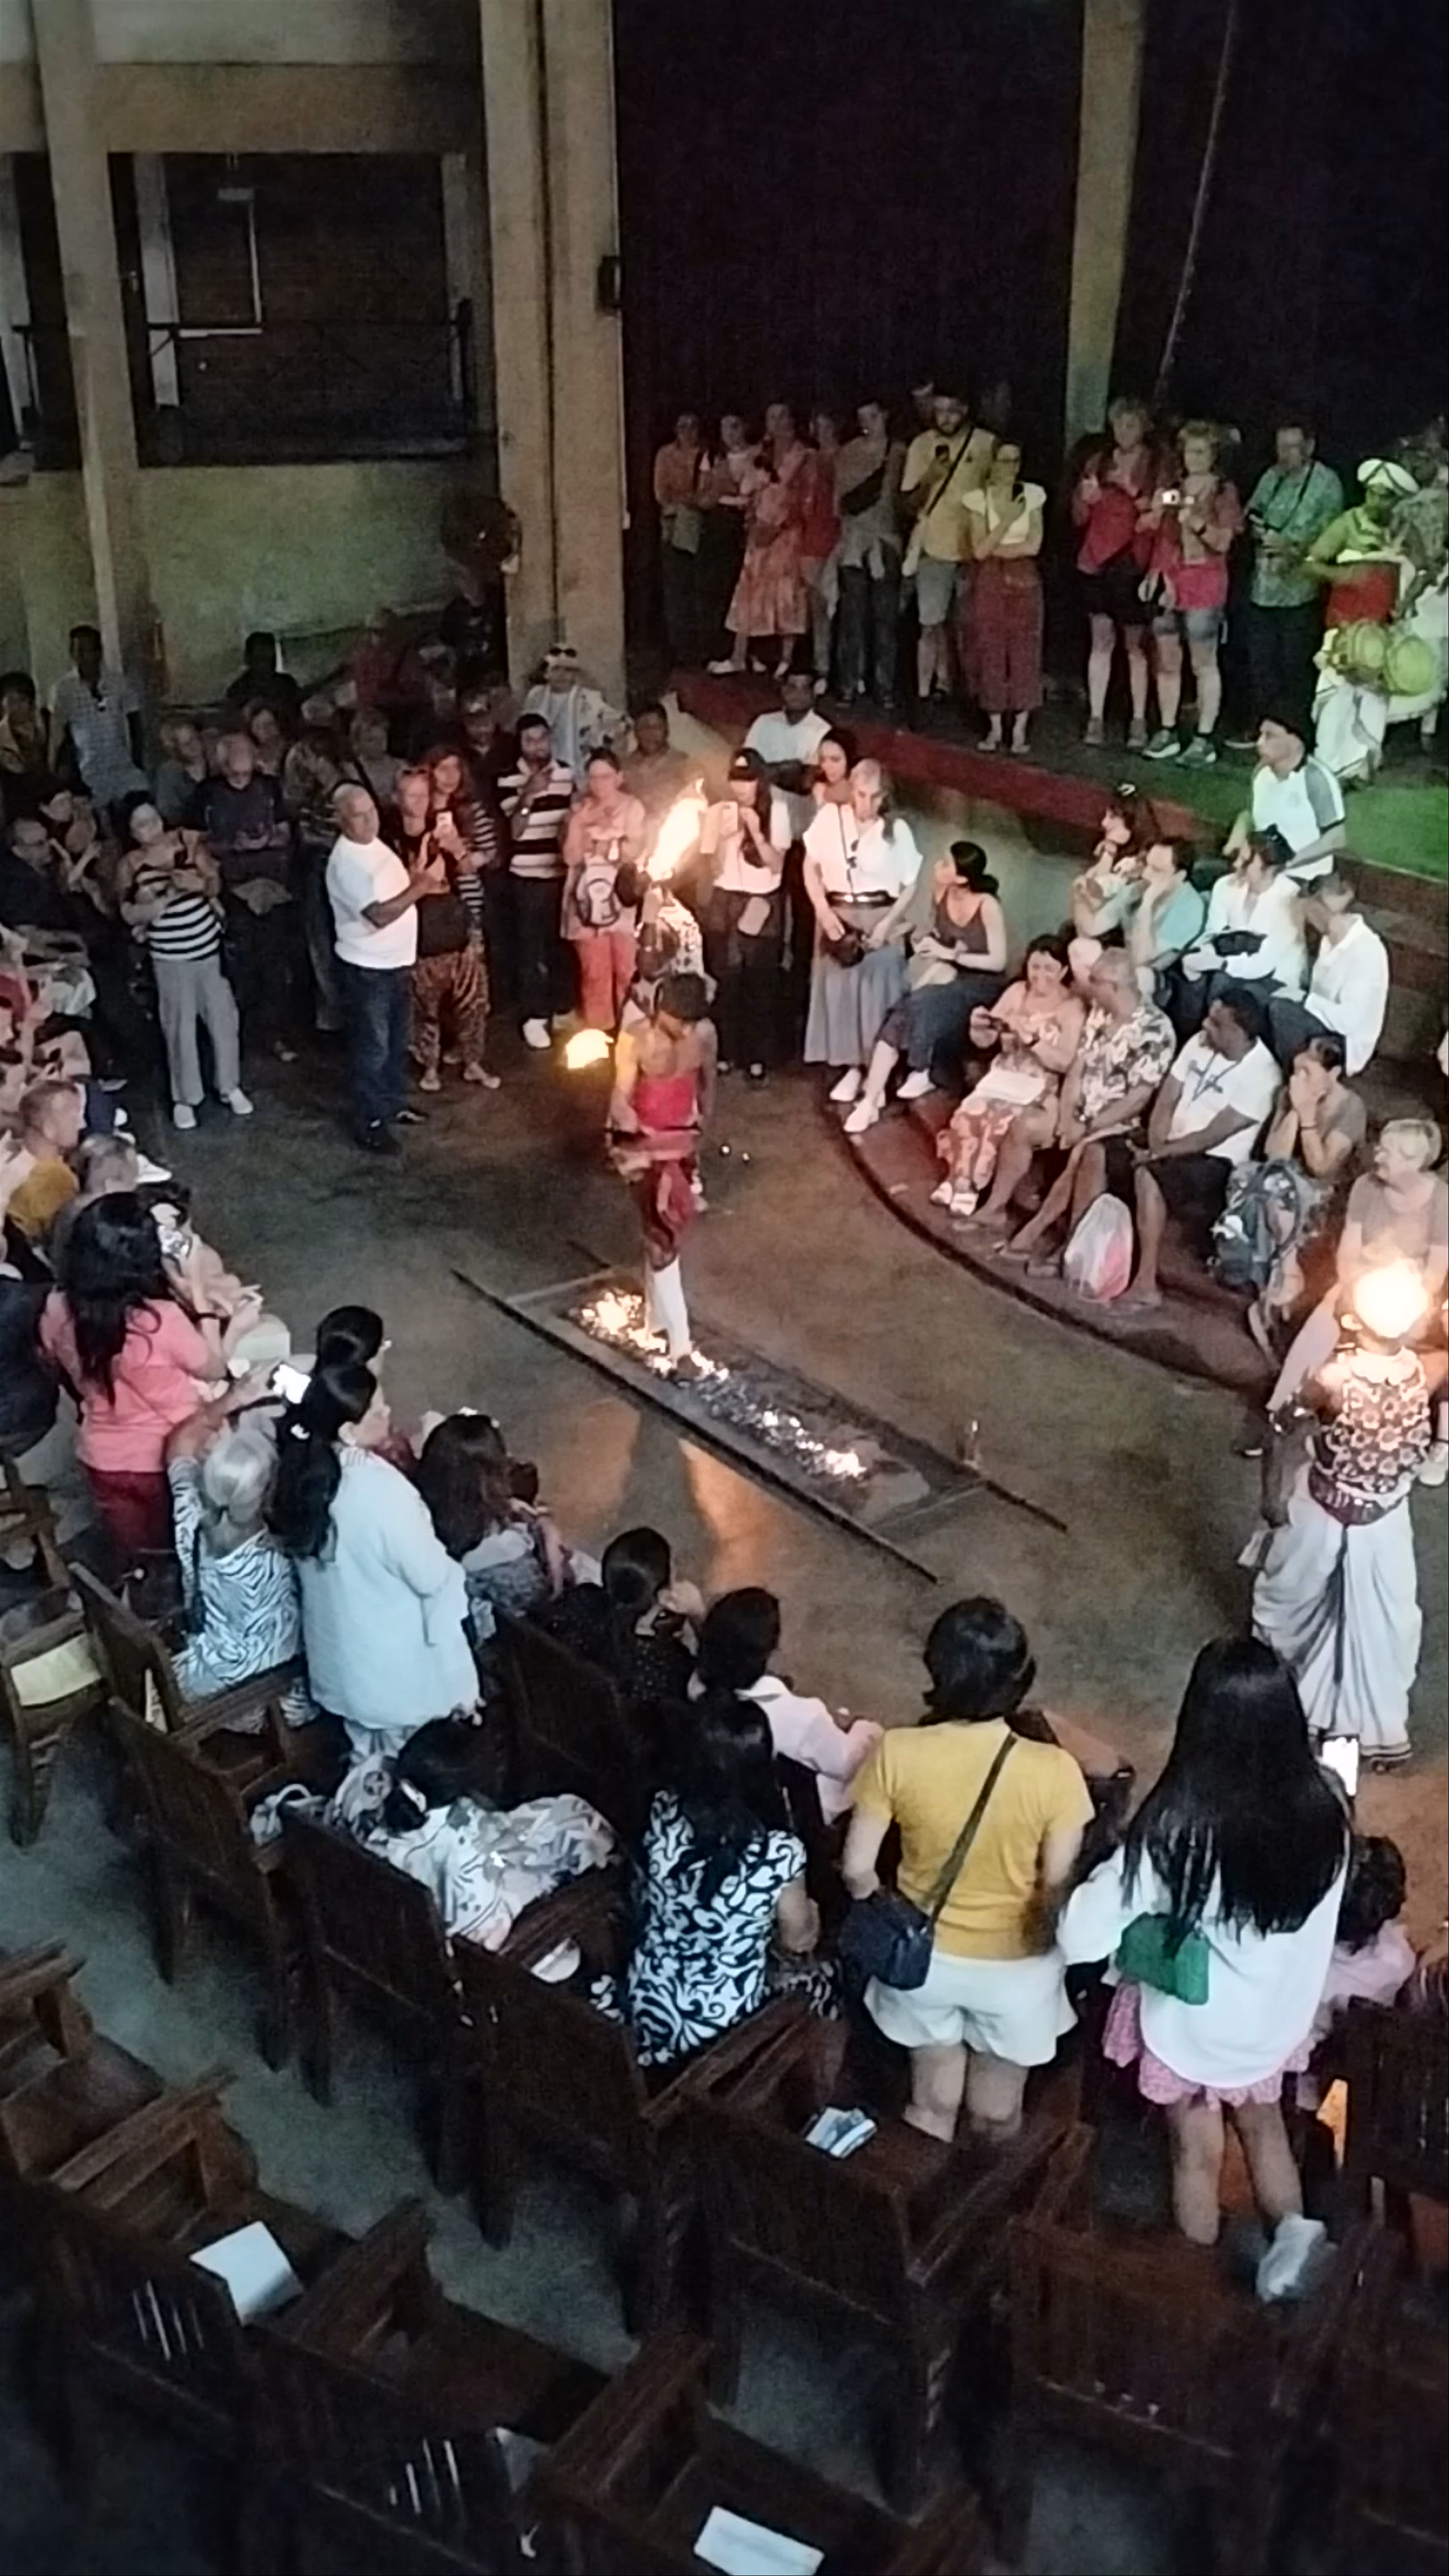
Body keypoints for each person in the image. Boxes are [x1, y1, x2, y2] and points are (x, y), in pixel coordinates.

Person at [1058, 1638, 1348, 2294]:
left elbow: (1080, 1936)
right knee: (1264, 2122)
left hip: (1199, 2033)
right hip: (1277, 2018)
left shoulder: (1179, 1831)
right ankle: (1296, 2240)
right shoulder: (1328, 1806)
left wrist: (1115, 1866)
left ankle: (1195, 2293)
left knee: (1197, 2151)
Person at [844, 1598, 1093, 2142]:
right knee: (996, 2112)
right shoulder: (1056, 1772)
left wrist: (897, 1914)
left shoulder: (898, 1750)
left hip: (922, 1961)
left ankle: (918, 2212)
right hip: (1016, 1971)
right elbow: (1055, 1887)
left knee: (930, 2102)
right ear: (1017, 1679)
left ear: (938, 1669)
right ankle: (983, 2207)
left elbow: (858, 1869)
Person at [1251, 1264, 1437, 1772]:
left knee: (1293, 1601)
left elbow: (1282, 1430)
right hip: (1381, 1521)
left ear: (1352, 1322)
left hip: (1329, 1512)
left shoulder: (1334, 1376)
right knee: (1384, 1625)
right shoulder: (1430, 1367)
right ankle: (1363, 1732)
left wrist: (1272, 1494)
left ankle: (1297, 1710)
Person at [268, 1357, 476, 1757]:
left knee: (366, 1762)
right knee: (405, 1770)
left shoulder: (300, 1473)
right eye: (378, 1411)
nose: (388, 1414)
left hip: (339, 1665)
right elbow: (432, 1576)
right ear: (348, 1431)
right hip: (394, 1681)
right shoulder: (383, 1492)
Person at [39, 1192, 241, 1561]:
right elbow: (213, 1366)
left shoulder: (56, 1306)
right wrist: (197, 1294)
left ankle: (141, 1608)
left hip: (102, 1457)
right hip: (171, 1454)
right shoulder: (158, 1320)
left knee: (139, 1556)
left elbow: (61, 1364)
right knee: (183, 1549)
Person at [619, 1694, 817, 2068]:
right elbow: (797, 1939)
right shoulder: (778, 1853)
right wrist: (810, 1915)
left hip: (645, 1993)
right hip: (719, 2027)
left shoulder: (664, 1808)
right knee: (823, 1983)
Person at [326, 1720, 613, 1951]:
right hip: (470, 1934)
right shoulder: (463, 1852)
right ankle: (614, 1885)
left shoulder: (372, 1807)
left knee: (551, 1822)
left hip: (397, 1929)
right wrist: (507, 1862)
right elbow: (486, 1927)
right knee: (574, 1822)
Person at [999, 950, 1175, 1265]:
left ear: (1116, 987)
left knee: (1084, 1153)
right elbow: (1078, 1068)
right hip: (1079, 1109)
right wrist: (1067, 1116)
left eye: (1095, 981)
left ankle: (1049, 1234)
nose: (1088, 986)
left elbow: (1139, 1097)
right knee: (1025, 1123)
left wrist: (1090, 1125)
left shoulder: (1156, 1029)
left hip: (1118, 1120)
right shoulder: (1100, 1013)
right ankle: (996, 1208)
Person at [1266, 1117, 1448, 1414]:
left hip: (1410, 1293)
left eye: (1387, 1152)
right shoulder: (1367, 1186)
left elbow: (1436, 1272)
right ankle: (1281, 1407)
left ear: (1413, 1162)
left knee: (1389, 1340)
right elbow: (1349, 1249)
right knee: (1324, 1320)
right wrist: (1352, 1290)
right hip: (1362, 1277)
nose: (1378, 1155)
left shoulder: (1441, 1199)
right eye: (1380, 1148)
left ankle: (1356, 1426)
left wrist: (1411, 1308)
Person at [1123, 986, 1281, 1306]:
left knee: (1147, 1175)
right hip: (1165, 1144)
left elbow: (1213, 1135)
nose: (1204, 1027)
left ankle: (1146, 1282)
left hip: (1213, 1161)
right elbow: (1167, 1097)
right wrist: (1156, 1142)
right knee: (1097, 1152)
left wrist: (1157, 1155)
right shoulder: (1198, 1042)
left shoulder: (1264, 1074)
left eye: (1215, 1023)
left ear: (1237, 1031)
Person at [844, 843, 1009, 1132]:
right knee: (903, 1008)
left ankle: (923, 1068)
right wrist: (925, 943)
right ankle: (870, 1100)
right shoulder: (941, 893)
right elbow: (940, 935)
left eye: (946, 864)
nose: (938, 867)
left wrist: (950, 956)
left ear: (961, 877)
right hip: (949, 975)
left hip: (981, 984)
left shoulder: (987, 905)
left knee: (924, 1002)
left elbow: (998, 961)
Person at [165, 1397, 311, 1722]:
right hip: (262, 1704)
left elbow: (180, 1445)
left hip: (202, 1678)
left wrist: (235, 1396)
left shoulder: (191, 1514)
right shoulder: (278, 1559)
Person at [1220, 1036, 1367, 1348]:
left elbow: (1322, 1166)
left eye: (1308, 1073)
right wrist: (1295, 1109)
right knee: (1248, 1178)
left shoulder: (1352, 1108)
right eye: (1297, 1071)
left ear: (1334, 1073)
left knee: (1276, 1191)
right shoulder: (1290, 1094)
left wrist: (1310, 1117)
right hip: (1282, 1177)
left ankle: (1286, 1275)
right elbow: (1276, 1156)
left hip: (1320, 1191)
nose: (1298, 1079)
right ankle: (1263, 1268)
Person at [117, 798, 251, 1133]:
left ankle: (229, 1085)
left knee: (223, 1019)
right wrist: (156, 905)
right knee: (179, 1027)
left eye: (152, 819)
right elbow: (125, 911)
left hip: (207, 948)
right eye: (140, 824)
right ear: (131, 832)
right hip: (169, 956)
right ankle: (185, 1098)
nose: (150, 827)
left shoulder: (187, 843)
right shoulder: (130, 864)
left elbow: (214, 883)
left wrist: (200, 885)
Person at [696, 1588, 883, 1822]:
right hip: (779, 1810)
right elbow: (846, 1763)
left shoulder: (694, 1689)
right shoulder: (801, 1716)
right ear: (772, 1654)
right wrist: (865, 1729)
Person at [608, 970, 716, 1371]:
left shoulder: (703, 1035)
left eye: (692, 1021)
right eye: (680, 1020)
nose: (686, 1028)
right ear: (660, 1009)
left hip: (682, 1144)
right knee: (661, 1238)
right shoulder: (636, 1039)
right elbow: (620, 1097)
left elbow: (708, 1089)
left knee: (660, 1235)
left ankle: (655, 1321)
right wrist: (626, 1127)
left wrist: (700, 1137)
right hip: (644, 1146)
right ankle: (681, 1346)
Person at [934, 936, 1086, 1219]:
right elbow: (987, 1040)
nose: (1040, 976)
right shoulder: (1018, 992)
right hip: (1004, 1074)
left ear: (1064, 972)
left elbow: (1066, 1061)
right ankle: (959, 1179)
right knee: (970, 1113)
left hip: (1039, 1084)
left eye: (1049, 969)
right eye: (1035, 967)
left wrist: (1031, 1039)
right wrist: (979, 1028)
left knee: (996, 1121)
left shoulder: (1071, 1008)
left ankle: (974, 1185)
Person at [802, 760, 923, 1104]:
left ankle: (877, 1075)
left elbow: (910, 885)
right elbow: (810, 868)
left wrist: (888, 923)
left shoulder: (896, 829)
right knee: (841, 995)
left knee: (877, 997)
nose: (866, 804)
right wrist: (823, 912)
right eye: (861, 795)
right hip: (837, 915)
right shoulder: (830, 819)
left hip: (879, 914)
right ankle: (850, 1067)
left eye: (874, 797)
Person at [325, 784, 427, 1154]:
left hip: (395, 962)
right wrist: (422, 886)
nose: (371, 819)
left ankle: (392, 1103)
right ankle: (369, 1120)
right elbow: (379, 914)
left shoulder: (372, 846)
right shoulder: (346, 861)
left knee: (397, 1041)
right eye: (359, 814)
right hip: (369, 968)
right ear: (341, 819)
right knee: (373, 1048)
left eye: (372, 810)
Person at [191, 729, 298, 1068]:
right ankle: (237, 1037)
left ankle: (275, 1033)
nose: (241, 777)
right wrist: (231, 846)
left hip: (273, 885)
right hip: (232, 891)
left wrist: (265, 840)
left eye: (246, 770)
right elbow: (195, 841)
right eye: (234, 772)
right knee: (240, 969)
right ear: (222, 765)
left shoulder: (269, 788)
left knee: (276, 967)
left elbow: (286, 832)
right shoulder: (206, 794)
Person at [1140, 423, 1243, 768]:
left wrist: (1197, 523)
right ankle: (1168, 730)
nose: (1193, 458)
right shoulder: (1174, 489)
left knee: (1203, 662)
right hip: (1171, 581)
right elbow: (1158, 532)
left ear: (1214, 456)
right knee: (1167, 660)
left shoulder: (1223, 493)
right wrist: (1156, 571)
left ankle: (1204, 737)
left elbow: (1224, 542)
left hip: (1205, 582)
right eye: (1188, 451)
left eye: (1201, 451)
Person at [414, 1408, 565, 1643]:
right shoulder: (507, 1557)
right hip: (507, 1646)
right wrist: (551, 1544)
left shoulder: (416, 1513)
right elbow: (547, 1605)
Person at [1243, 418, 1345, 737]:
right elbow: (1252, 512)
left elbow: (1331, 534)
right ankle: (1265, 727)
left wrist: (1291, 546)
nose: (1285, 455)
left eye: (1292, 447)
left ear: (1310, 447)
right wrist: (1258, 528)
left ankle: (1295, 730)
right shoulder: (1271, 476)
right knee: (1262, 664)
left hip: (1299, 589)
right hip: (1263, 586)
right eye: (1281, 447)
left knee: (1295, 665)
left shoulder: (1326, 482)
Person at [393, 767, 492, 1095]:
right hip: (417, 933)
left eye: (423, 793)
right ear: (398, 797)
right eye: (411, 794)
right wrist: (420, 874)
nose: (419, 801)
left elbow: (467, 871)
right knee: (424, 1006)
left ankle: (473, 1061)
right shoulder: (389, 835)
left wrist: (457, 849)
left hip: (455, 924)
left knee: (474, 1000)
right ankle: (430, 1066)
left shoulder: (444, 827)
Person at [1072, 397, 1161, 747]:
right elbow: (1079, 517)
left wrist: (1129, 486)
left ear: (1143, 427)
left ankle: (1138, 720)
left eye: (1132, 425)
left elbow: (1157, 514)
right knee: (1101, 639)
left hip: (1132, 561)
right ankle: (1096, 717)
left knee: (1135, 645)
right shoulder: (1099, 460)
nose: (1124, 432)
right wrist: (1086, 499)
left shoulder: (1155, 465)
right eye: (1119, 425)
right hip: (1095, 559)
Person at [698, 751, 791, 1079]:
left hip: (761, 899)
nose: (741, 787)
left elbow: (778, 864)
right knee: (727, 979)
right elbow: (709, 864)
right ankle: (727, 1050)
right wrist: (720, 838)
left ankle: (759, 1055)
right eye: (736, 780)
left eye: (748, 779)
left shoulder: (776, 811)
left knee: (761, 981)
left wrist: (755, 831)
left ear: (760, 780)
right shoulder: (719, 812)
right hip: (726, 898)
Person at [538, 1525, 698, 1713]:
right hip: (612, 1733)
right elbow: (709, 1683)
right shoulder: (664, 1662)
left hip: (562, 1707)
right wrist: (698, 1613)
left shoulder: (579, 1600)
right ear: (662, 1594)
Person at [900, 392, 995, 703]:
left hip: (973, 549)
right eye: (939, 412)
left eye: (952, 411)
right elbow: (907, 503)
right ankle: (927, 692)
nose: (945, 418)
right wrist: (930, 478)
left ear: (965, 409)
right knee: (931, 623)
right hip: (934, 547)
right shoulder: (921, 445)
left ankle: (969, 689)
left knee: (969, 625)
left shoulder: (986, 444)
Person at [1177, 831, 1307, 1030]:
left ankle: (1211, 1034)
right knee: (1191, 970)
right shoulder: (1226, 886)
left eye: (1246, 861)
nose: (1237, 865)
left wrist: (1221, 963)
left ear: (1270, 869)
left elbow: (1265, 963)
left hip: (1272, 978)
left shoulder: (1290, 900)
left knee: (1223, 984)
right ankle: (1189, 1036)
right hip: (1230, 960)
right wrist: (1205, 951)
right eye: (1239, 856)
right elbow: (1214, 932)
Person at [963, 440, 1045, 753]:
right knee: (991, 647)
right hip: (990, 578)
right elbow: (980, 549)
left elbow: (1034, 544)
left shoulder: (1033, 495)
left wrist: (999, 546)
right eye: (1004, 461)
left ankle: (1021, 729)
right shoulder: (978, 500)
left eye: (1015, 461)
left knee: (1025, 648)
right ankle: (995, 728)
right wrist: (1009, 519)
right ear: (993, 463)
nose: (1010, 468)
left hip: (1024, 576)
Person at [718, 404, 811, 678]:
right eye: (771, 417)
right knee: (749, 590)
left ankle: (786, 659)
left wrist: (779, 527)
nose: (777, 422)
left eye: (783, 416)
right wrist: (752, 519)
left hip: (787, 534)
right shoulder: (762, 454)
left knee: (787, 592)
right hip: (760, 532)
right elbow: (748, 490)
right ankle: (741, 655)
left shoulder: (803, 456)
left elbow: (804, 500)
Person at [499, 712, 575, 1049]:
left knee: (562, 945)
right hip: (527, 878)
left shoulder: (568, 775)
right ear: (520, 743)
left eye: (542, 738)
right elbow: (513, 832)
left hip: (562, 874)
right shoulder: (507, 780)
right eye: (530, 740)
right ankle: (534, 1015)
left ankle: (563, 1009)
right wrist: (529, 795)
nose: (538, 746)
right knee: (531, 950)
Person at [1268, 871, 1390, 1076]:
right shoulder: (1329, 940)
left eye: (1308, 912)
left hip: (1344, 1043)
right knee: (1263, 991)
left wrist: (1305, 1000)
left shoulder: (1367, 952)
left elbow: (1348, 1021)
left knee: (1281, 1011)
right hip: (1321, 1018)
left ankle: (1296, 1079)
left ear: (1319, 910)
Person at [561, 750, 646, 1033]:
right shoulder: (578, 809)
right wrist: (579, 825)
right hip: (585, 902)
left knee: (627, 969)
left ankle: (630, 1033)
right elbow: (571, 857)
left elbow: (636, 850)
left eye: (606, 777)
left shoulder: (633, 808)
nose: (599, 784)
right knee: (594, 973)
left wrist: (601, 845)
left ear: (619, 778)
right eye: (594, 777)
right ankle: (600, 1034)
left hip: (621, 901)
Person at [834, 400, 905, 707]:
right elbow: (839, 503)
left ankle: (884, 686)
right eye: (863, 418)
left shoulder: (899, 453)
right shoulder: (848, 452)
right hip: (854, 543)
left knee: (885, 619)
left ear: (886, 416)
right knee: (853, 618)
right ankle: (849, 683)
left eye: (874, 417)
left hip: (886, 542)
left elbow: (904, 501)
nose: (869, 423)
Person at [1229, 711, 1346, 887]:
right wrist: (1237, 836)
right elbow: (1250, 815)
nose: (1260, 743)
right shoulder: (1261, 773)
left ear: (1295, 741)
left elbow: (1337, 837)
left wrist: (1289, 865)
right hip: (1262, 872)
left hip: (1306, 879)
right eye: (1260, 735)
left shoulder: (1316, 779)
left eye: (1270, 736)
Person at [49, 625, 146, 812]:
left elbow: (135, 722)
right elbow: (59, 733)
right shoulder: (63, 689)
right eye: (78, 651)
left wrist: (138, 760)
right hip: (88, 770)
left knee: (140, 809)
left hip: (122, 766)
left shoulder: (119, 683)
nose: (84, 657)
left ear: (99, 652)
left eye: (89, 650)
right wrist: (62, 772)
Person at [742, 668, 832, 843]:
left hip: (798, 814)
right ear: (783, 690)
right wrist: (785, 770)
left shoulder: (823, 731)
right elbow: (745, 762)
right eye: (792, 687)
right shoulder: (764, 722)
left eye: (804, 688)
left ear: (815, 692)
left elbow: (806, 780)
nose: (797, 694)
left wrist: (767, 772)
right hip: (758, 807)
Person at [523, 644, 623, 790]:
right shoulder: (535, 696)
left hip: (579, 772)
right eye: (556, 670)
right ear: (547, 673)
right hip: (543, 772)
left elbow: (618, 725)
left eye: (568, 671)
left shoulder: (590, 698)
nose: (562, 675)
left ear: (575, 674)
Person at [1124, 837, 1208, 1012]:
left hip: (1156, 978)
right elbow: (1096, 925)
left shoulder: (1190, 908)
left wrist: (1147, 905)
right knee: (1081, 948)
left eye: (1157, 871)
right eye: (1147, 865)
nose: (1146, 875)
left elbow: (1142, 958)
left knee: (1141, 977)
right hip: (1124, 959)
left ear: (1180, 876)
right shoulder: (1141, 887)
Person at [654, 413, 707, 669]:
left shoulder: (707, 454)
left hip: (703, 528)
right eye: (683, 426)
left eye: (693, 426)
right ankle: (678, 650)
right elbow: (662, 493)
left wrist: (692, 500)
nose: (688, 431)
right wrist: (687, 500)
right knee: (676, 591)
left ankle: (700, 649)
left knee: (699, 590)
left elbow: (709, 491)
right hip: (674, 528)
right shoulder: (665, 455)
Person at [5, 1075, 83, 1245]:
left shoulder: (9, 1155)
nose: (80, 1124)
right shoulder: (53, 1179)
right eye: (73, 1116)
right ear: (49, 1127)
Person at [799, 411, 842, 686]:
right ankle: (821, 666)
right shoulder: (809, 459)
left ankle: (839, 669)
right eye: (817, 425)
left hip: (835, 539)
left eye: (826, 425)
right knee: (816, 609)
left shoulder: (842, 457)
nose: (821, 430)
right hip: (811, 539)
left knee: (835, 607)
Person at [223, 631, 302, 731]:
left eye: (271, 658)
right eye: (260, 659)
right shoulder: (237, 691)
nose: (266, 665)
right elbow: (235, 723)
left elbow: (297, 712)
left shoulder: (286, 683)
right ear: (248, 658)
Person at [0, 671, 52, 820]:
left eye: (22, 700)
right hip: (22, 815)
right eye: (11, 701)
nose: (17, 707)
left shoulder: (48, 725)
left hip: (56, 803)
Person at [152, 718, 210, 829]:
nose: (194, 746)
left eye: (195, 739)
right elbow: (170, 813)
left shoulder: (217, 759)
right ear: (175, 749)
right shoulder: (168, 773)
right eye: (186, 744)